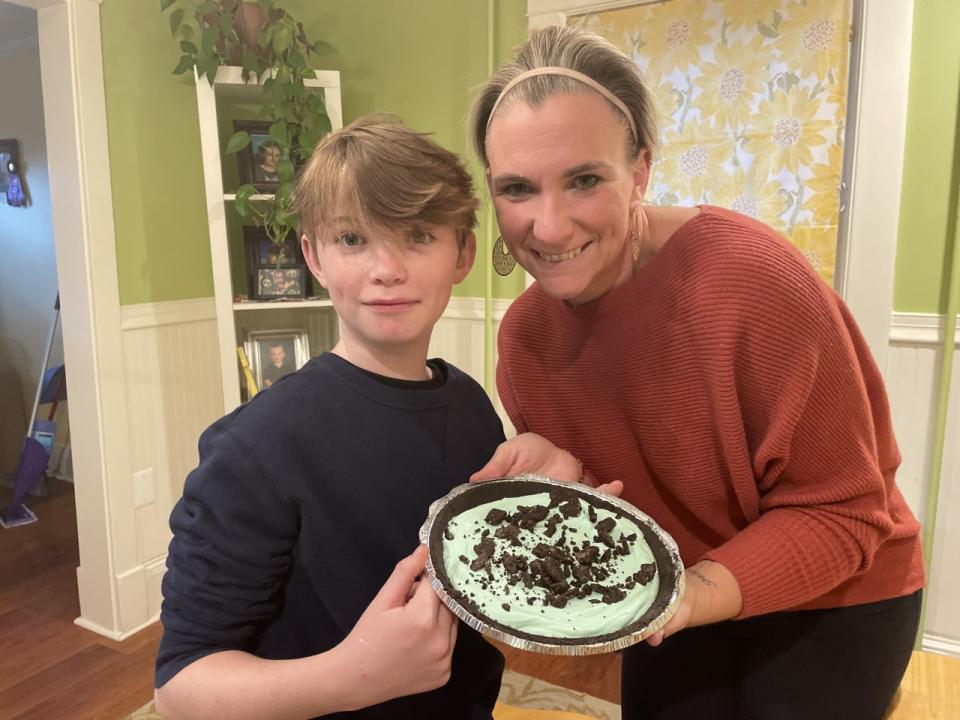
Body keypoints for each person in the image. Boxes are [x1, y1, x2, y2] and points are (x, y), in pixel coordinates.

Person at [468, 25, 924, 720]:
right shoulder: (524, 343)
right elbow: (628, 507)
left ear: (641, 172)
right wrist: (566, 482)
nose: (549, 226)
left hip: (839, 592)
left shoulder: (756, 285)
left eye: (584, 179)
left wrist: (697, 589)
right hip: (679, 586)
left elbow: (842, 513)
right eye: (517, 189)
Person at [155, 115, 506, 719]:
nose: (386, 269)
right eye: (353, 239)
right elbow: (182, 688)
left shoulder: (472, 406)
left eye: (419, 235)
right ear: (312, 256)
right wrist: (350, 676)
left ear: (462, 253)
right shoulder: (256, 448)